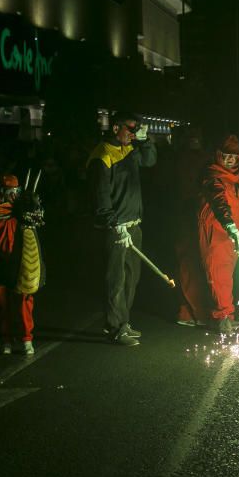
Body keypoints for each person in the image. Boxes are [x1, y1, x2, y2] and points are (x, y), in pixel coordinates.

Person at [87, 112, 156, 347]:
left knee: (131, 278)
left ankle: (123, 322)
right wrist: (114, 224)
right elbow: (101, 195)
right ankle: (115, 327)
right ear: (115, 127)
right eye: (130, 129)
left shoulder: (129, 149)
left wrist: (146, 142)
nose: (133, 133)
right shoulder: (103, 155)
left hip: (134, 225)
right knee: (115, 279)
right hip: (116, 228)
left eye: (136, 129)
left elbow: (150, 161)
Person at [0, 175, 40, 355]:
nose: (14, 195)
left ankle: (26, 338)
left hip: (20, 261)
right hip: (1, 261)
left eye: (17, 192)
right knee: (2, 303)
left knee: (25, 300)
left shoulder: (25, 208)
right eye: (10, 192)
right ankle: (6, 339)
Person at [197, 135, 239, 334]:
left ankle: (228, 314)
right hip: (216, 232)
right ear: (219, 156)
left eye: (233, 156)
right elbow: (219, 200)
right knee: (217, 275)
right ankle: (222, 317)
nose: (229, 160)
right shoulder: (213, 175)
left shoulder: (237, 176)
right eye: (225, 156)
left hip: (232, 235)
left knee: (226, 276)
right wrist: (229, 224)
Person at [173, 126, 211, 326]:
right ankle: (194, 313)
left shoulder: (182, 159)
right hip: (190, 213)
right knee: (191, 264)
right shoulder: (197, 160)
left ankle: (189, 312)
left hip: (190, 212)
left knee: (190, 264)